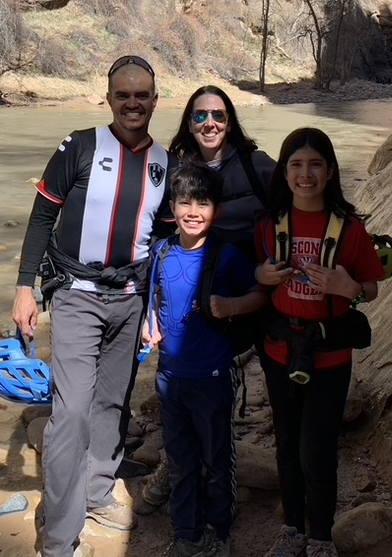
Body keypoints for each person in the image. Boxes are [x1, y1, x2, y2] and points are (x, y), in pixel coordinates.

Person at [12, 54, 176, 557]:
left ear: (154, 101)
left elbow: (165, 242)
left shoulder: (165, 164)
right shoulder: (80, 146)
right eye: (123, 95)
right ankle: (59, 539)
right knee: (73, 412)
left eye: (141, 95)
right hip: (77, 294)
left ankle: (99, 491)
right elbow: (42, 218)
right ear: (109, 99)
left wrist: (155, 312)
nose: (132, 103)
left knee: (112, 402)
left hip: (130, 299)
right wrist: (25, 287)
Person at [254, 128, 387, 557]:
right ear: (285, 171)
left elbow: (371, 288)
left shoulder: (349, 230)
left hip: (329, 358)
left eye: (315, 165)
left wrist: (348, 287)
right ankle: (293, 528)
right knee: (287, 445)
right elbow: (257, 275)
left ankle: (321, 537)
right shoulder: (269, 225)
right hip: (279, 352)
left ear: (330, 172)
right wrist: (261, 276)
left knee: (317, 449)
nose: (305, 174)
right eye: (296, 164)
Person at [141, 162, 269, 557]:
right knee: (179, 459)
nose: (193, 211)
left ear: (217, 210)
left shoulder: (226, 256)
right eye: (184, 202)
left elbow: (260, 296)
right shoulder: (161, 252)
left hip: (213, 376)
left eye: (203, 202)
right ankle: (187, 535)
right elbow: (151, 299)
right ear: (172, 207)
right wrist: (150, 327)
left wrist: (231, 305)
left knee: (217, 460)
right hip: (170, 377)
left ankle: (219, 531)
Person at [169, 85, 276, 263]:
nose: (209, 124)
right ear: (190, 124)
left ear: (229, 124)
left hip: (259, 273)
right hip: (206, 274)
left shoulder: (256, 165)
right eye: (200, 116)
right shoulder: (181, 174)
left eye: (218, 116)